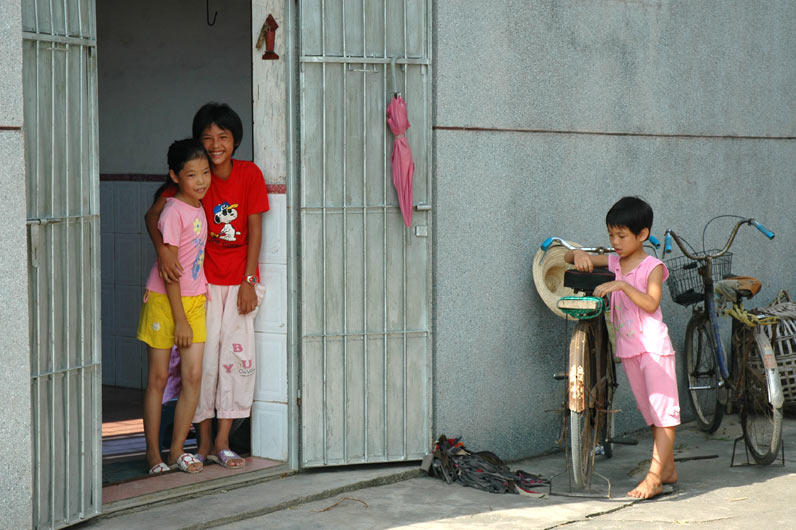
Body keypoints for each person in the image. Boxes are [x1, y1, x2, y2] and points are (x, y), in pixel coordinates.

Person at [145, 102, 269, 469]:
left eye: (223, 137)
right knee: (204, 368)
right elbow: (153, 215)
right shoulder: (188, 178)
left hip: (239, 284)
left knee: (236, 362)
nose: (216, 145)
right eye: (208, 137)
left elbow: (255, 229)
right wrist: (163, 254)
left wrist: (249, 280)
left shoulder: (248, 175)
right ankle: (197, 446)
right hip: (201, 286)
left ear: (235, 140)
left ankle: (222, 441)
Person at [565, 196, 679, 499]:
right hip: (629, 350)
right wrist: (578, 255)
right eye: (611, 235)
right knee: (650, 412)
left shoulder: (653, 266)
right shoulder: (615, 261)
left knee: (664, 413)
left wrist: (622, 285)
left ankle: (654, 478)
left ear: (642, 235)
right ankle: (667, 469)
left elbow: (651, 303)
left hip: (654, 348)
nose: (614, 242)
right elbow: (565, 258)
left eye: (621, 236)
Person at [137, 139, 210, 474]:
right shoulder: (171, 211)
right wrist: (180, 320)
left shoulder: (198, 207)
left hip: (195, 301)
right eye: (192, 174)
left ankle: (177, 450)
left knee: (193, 376)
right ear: (174, 176)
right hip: (166, 304)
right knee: (158, 378)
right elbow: (169, 273)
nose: (201, 181)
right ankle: (153, 453)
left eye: (205, 173)